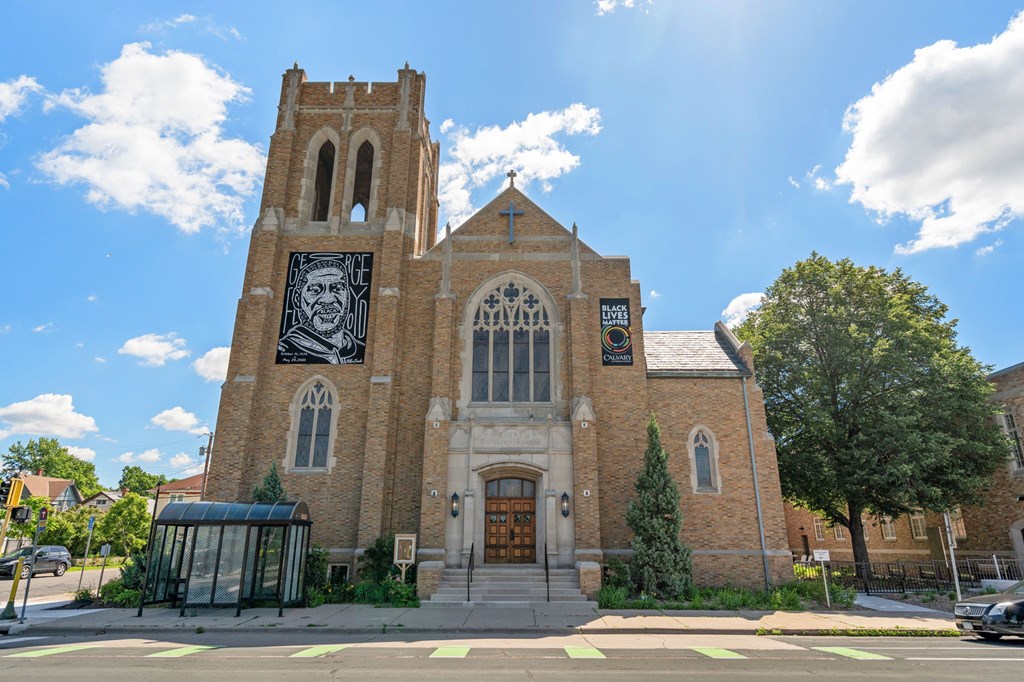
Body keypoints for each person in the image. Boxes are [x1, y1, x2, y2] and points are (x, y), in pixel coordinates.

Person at [278, 259, 359, 363]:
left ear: (348, 296)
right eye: (315, 290)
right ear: (297, 299)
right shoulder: (286, 349)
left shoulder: (359, 349)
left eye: (338, 288)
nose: (328, 299)